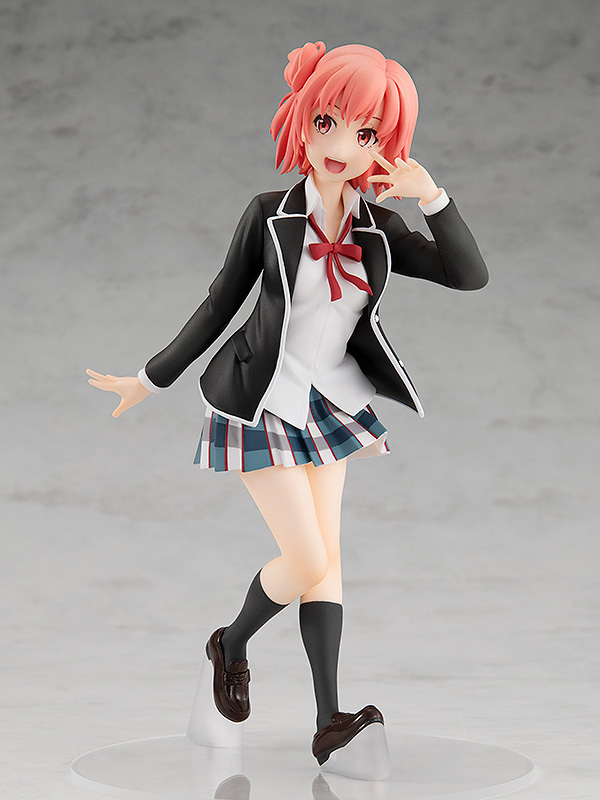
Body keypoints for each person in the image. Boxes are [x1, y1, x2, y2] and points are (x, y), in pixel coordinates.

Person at [87, 41, 488, 767]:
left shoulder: (379, 229)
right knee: (305, 558)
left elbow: (469, 275)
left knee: (327, 563)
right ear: (301, 118)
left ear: (385, 144)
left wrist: (432, 196)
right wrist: (150, 377)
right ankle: (230, 643)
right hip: (260, 400)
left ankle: (329, 719)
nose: (340, 145)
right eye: (327, 122)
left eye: (365, 132)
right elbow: (220, 304)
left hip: (331, 406)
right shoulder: (269, 214)